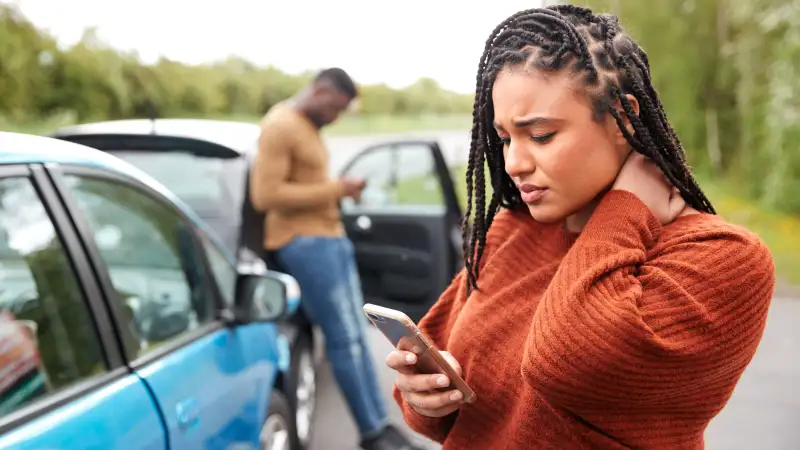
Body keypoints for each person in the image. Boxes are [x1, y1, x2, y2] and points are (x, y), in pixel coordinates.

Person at [386, 5, 775, 450]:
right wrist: (426, 400)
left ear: (622, 118)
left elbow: (566, 364)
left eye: (541, 135)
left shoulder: (723, 257)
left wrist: (625, 209)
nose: (514, 163)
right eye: (506, 138)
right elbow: (447, 401)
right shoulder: (511, 231)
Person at [250, 68, 424, 450]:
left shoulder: (307, 126)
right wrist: (337, 189)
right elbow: (266, 195)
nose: (336, 116)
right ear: (320, 90)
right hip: (304, 244)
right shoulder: (280, 125)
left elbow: (304, 184)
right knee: (344, 340)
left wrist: (337, 193)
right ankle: (372, 434)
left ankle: (383, 426)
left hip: (329, 239)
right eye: (335, 107)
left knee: (359, 339)